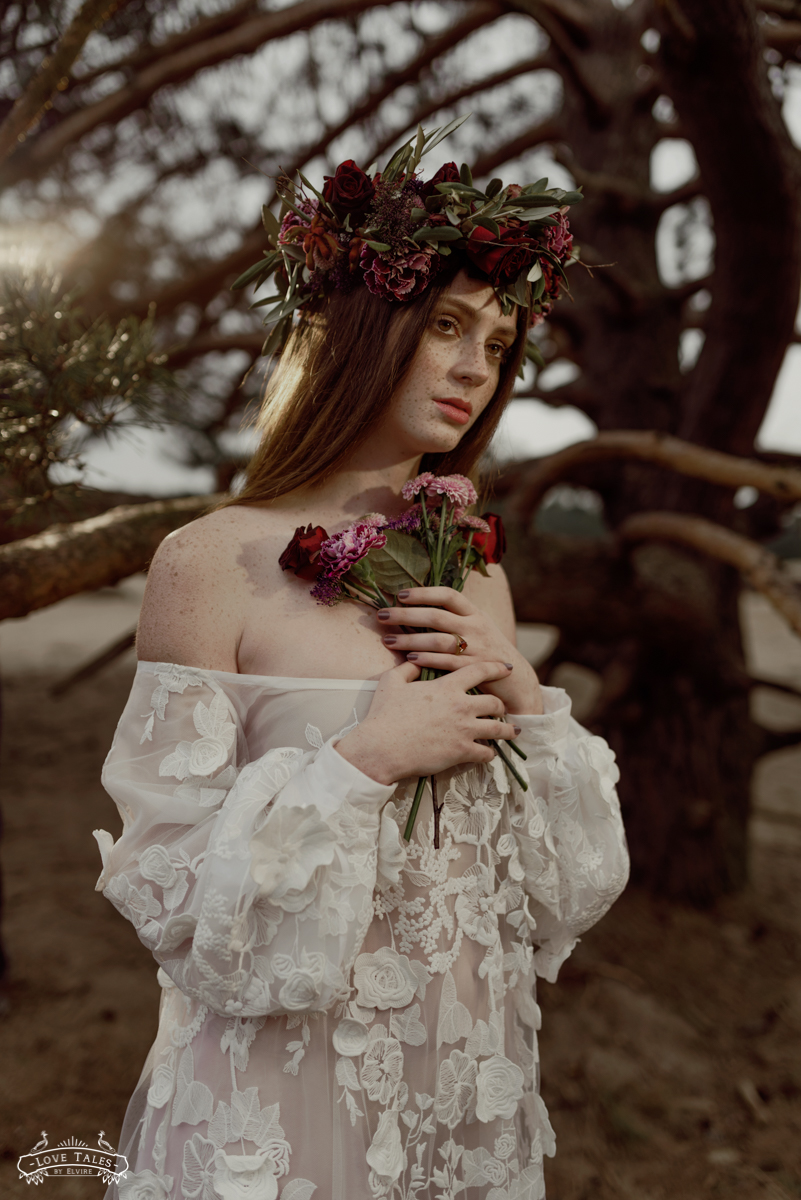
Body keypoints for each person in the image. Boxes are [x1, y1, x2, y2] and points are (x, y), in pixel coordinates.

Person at [94, 137, 629, 1200]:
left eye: (499, 337)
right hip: (286, 1107)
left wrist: (528, 709)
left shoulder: (476, 575)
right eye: (444, 325)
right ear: (357, 330)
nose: (478, 367)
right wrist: (363, 762)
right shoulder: (212, 563)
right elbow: (170, 895)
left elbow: (559, 892)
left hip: (466, 1089)